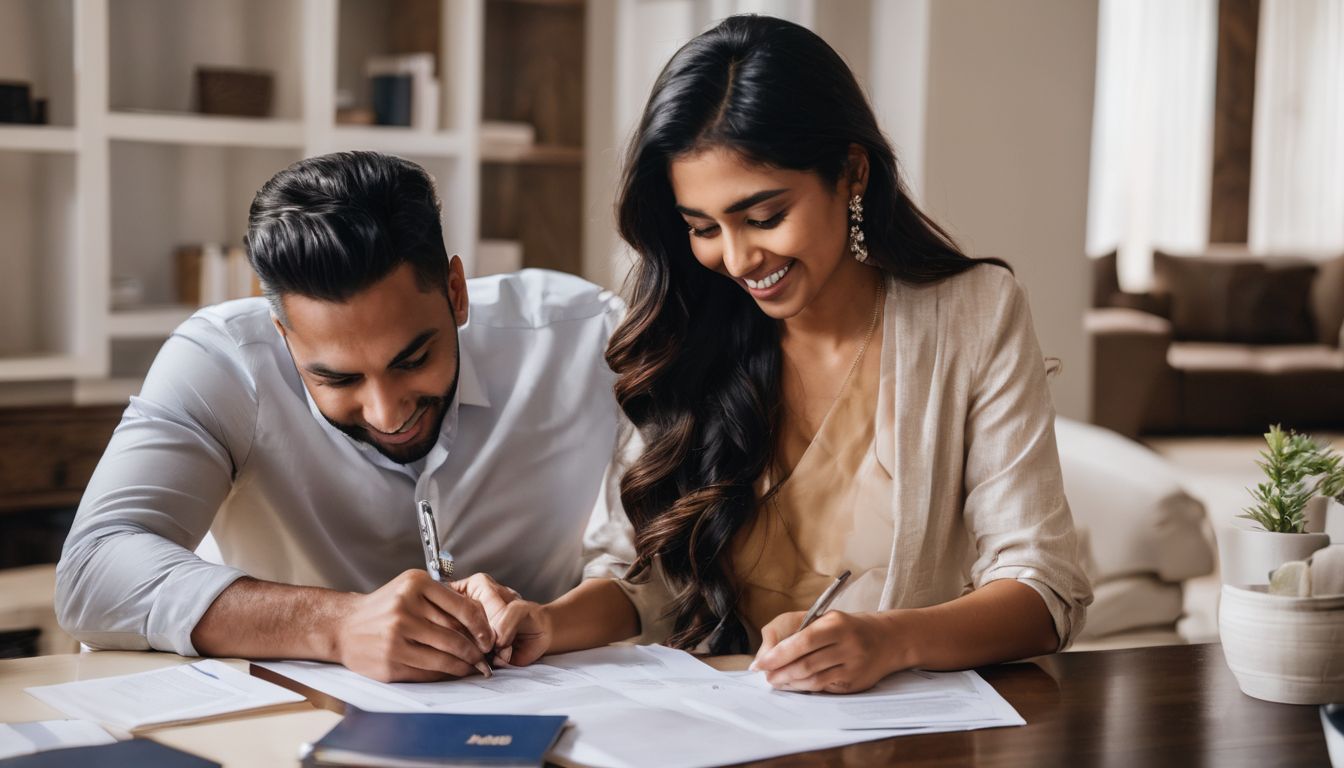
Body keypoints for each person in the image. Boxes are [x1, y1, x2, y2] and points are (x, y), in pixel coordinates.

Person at [487, 15, 1093, 694]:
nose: (739, 259)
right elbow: (642, 582)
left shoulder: (973, 313)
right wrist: (546, 619)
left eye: (764, 216)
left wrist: (890, 640)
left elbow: (1045, 590)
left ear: (852, 173)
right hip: (719, 725)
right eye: (702, 228)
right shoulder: (688, 327)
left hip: (897, 737)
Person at [56, 151, 625, 683]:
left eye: (413, 359)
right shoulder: (222, 359)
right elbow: (93, 570)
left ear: (456, 292)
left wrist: (551, 620)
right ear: (283, 336)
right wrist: (337, 624)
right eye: (337, 378)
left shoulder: (589, 339)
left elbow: (663, 573)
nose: (386, 411)